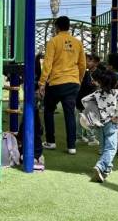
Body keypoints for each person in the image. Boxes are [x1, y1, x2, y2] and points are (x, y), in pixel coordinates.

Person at [38, 16, 86, 155]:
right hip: (73, 82)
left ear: (57, 27)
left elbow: (47, 64)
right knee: (69, 114)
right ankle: (71, 146)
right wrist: (79, 79)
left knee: (48, 110)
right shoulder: (77, 43)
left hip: (56, 83)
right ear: (69, 27)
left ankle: (51, 142)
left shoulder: (53, 42)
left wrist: (42, 83)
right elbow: (82, 65)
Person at [81, 70, 118, 182]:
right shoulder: (117, 93)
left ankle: (107, 169)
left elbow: (84, 100)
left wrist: (94, 113)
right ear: (115, 83)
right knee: (111, 148)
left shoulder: (97, 93)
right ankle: (100, 166)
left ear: (100, 83)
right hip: (111, 123)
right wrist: (116, 115)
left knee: (105, 147)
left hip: (100, 124)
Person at [76, 53, 102, 146]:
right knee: (86, 117)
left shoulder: (98, 73)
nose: (87, 62)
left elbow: (100, 86)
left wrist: (97, 85)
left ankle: (81, 137)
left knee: (82, 117)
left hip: (85, 98)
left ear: (96, 63)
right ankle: (91, 138)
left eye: (89, 60)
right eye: (86, 60)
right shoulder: (85, 72)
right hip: (84, 98)